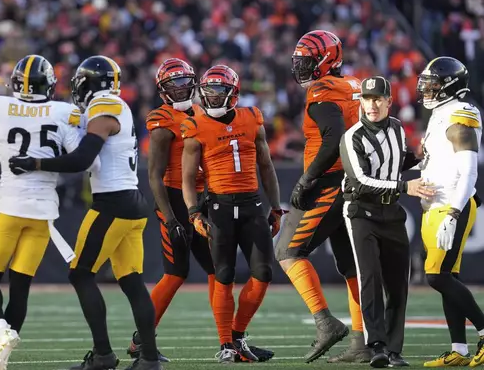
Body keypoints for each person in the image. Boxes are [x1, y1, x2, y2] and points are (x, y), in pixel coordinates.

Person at [8, 55, 161, 370]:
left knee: (80, 274)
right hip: (131, 202)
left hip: (113, 204)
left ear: (90, 82)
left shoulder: (106, 108)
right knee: (132, 281)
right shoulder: (114, 105)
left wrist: (36, 163)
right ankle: (148, 359)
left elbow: (81, 159)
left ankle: (103, 355)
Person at [0, 54, 99, 370]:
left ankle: (1, 330)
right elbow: (83, 158)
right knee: (21, 287)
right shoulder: (64, 112)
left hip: (9, 207)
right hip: (43, 213)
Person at [275, 29, 369, 363]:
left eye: (308, 60)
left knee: (287, 249)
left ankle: (325, 322)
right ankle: (361, 342)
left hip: (331, 182)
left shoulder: (323, 89)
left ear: (327, 59)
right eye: (298, 61)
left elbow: (333, 139)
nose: (301, 67)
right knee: (349, 264)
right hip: (356, 180)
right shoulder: (355, 85)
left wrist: (307, 178)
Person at [180, 65, 284, 363]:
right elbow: (188, 178)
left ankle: (237, 335)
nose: (212, 98)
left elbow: (266, 167)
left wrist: (275, 207)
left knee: (263, 273)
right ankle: (226, 343)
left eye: (219, 92)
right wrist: (192, 213)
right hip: (219, 207)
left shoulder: (252, 118)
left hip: (252, 206)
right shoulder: (195, 124)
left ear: (233, 93)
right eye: (208, 92)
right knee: (224, 276)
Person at [339, 76, 432, 368]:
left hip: (391, 212)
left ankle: (394, 349)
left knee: (398, 283)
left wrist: (425, 158)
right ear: (361, 102)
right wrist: (406, 187)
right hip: (361, 212)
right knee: (371, 277)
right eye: (367, 99)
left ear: (389, 102)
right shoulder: (352, 137)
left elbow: (399, 161)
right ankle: (376, 345)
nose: (372, 104)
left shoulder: (396, 129)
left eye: (378, 98)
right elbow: (362, 180)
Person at [126, 58, 212, 363]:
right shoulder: (162, 120)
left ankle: (229, 339)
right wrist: (171, 218)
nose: (180, 88)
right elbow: (154, 176)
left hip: (201, 199)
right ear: (163, 90)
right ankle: (141, 340)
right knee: (176, 273)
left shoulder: (204, 111)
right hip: (174, 199)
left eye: (183, 81)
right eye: (173, 84)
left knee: (218, 269)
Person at [415, 56, 484, 367]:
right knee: (447, 276)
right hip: (434, 205)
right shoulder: (440, 114)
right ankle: (459, 348)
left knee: (436, 276)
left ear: (449, 85)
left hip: (450, 205)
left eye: (432, 83)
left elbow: (469, 171)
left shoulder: (461, 113)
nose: (426, 89)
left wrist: (455, 213)